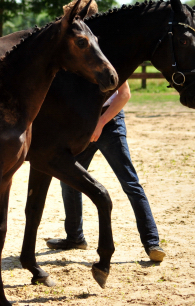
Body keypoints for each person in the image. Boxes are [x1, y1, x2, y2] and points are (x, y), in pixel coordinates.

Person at [46, 81, 166, 262]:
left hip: (110, 122)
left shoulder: (110, 58)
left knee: (130, 182)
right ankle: (75, 238)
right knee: (70, 178)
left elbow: (124, 94)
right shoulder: (78, 58)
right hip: (83, 123)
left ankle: (152, 243)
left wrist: (100, 122)